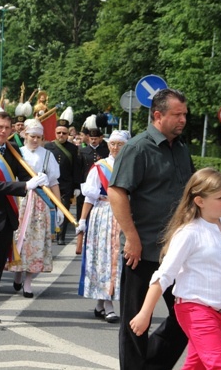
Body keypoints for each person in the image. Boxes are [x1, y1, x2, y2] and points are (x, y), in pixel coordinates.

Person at [108, 88, 194, 370]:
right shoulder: (137, 148)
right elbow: (117, 192)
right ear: (158, 115)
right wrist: (131, 237)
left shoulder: (181, 148)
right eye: (177, 114)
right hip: (142, 250)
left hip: (177, 251)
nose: (183, 119)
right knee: (135, 322)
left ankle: (151, 366)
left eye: (184, 114)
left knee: (185, 317)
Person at [129, 168, 221, 369]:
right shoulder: (188, 233)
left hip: (218, 312)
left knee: (196, 365)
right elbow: (164, 275)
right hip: (194, 310)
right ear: (199, 201)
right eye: (219, 197)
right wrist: (145, 313)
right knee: (220, 366)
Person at [0, 112, 46, 325]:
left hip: (7, 216)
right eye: (0, 127)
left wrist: (38, 178)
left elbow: (23, 175)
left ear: (12, 130)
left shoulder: (11, 151)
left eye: (7, 128)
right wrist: (25, 186)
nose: (3, 131)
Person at [76, 130, 130, 324]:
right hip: (104, 214)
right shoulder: (100, 166)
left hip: (124, 215)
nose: (115, 148)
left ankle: (101, 303)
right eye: (113, 144)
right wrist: (82, 220)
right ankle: (108, 305)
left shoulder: (132, 166)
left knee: (118, 260)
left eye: (120, 144)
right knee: (106, 259)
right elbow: (89, 197)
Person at [9, 119, 62, 298]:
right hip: (21, 200)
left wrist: (59, 207)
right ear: (25, 135)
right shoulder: (17, 153)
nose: (35, 140)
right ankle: (17, 271)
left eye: (39, 137)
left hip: (40, 203)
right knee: (19, 238)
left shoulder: (48, 155)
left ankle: (28, 280)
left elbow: (54, 182)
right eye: (32, 136)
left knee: (37, 241)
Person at [45, 109, 80, 245]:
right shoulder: (48, 146)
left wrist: (77, 186)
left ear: (67, 134)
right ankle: (52, 233)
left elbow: (76, 168)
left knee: (64, 211)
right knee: (50, 210)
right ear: (55, 133)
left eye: (64, 133)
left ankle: (61, 236)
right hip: (50, 184)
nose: (61, 135)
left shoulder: (73, 148)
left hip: (66, 185)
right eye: (59, 133)